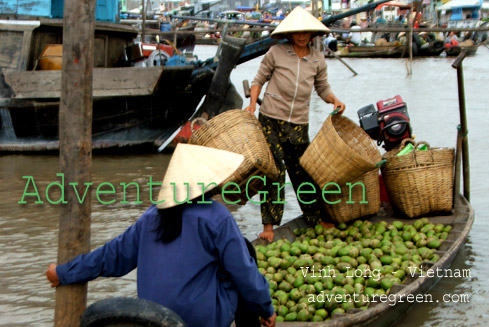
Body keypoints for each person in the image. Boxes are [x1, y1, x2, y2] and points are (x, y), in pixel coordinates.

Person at [45, 144, 276, 327]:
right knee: (245, 254)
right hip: (201, 321)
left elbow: (111, 257)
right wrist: (266, 309)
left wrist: (64, 272)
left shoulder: (151, 216)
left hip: (151, 318)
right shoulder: (217, 217)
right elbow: (244, 273)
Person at [243, 6, 346, 243]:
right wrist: (252, 105)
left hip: (299, 123)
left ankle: (314, 218)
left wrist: (334, 100)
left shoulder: (317, 58)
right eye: (297, 32)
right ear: (290, 34)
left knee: (302, 173)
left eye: (306, 32)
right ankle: (268, 225)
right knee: (274, 172)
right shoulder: (276, 52)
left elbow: (322, 88)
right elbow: (259, 80)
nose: (302, 36)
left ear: (312, 34)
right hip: (271, 119)